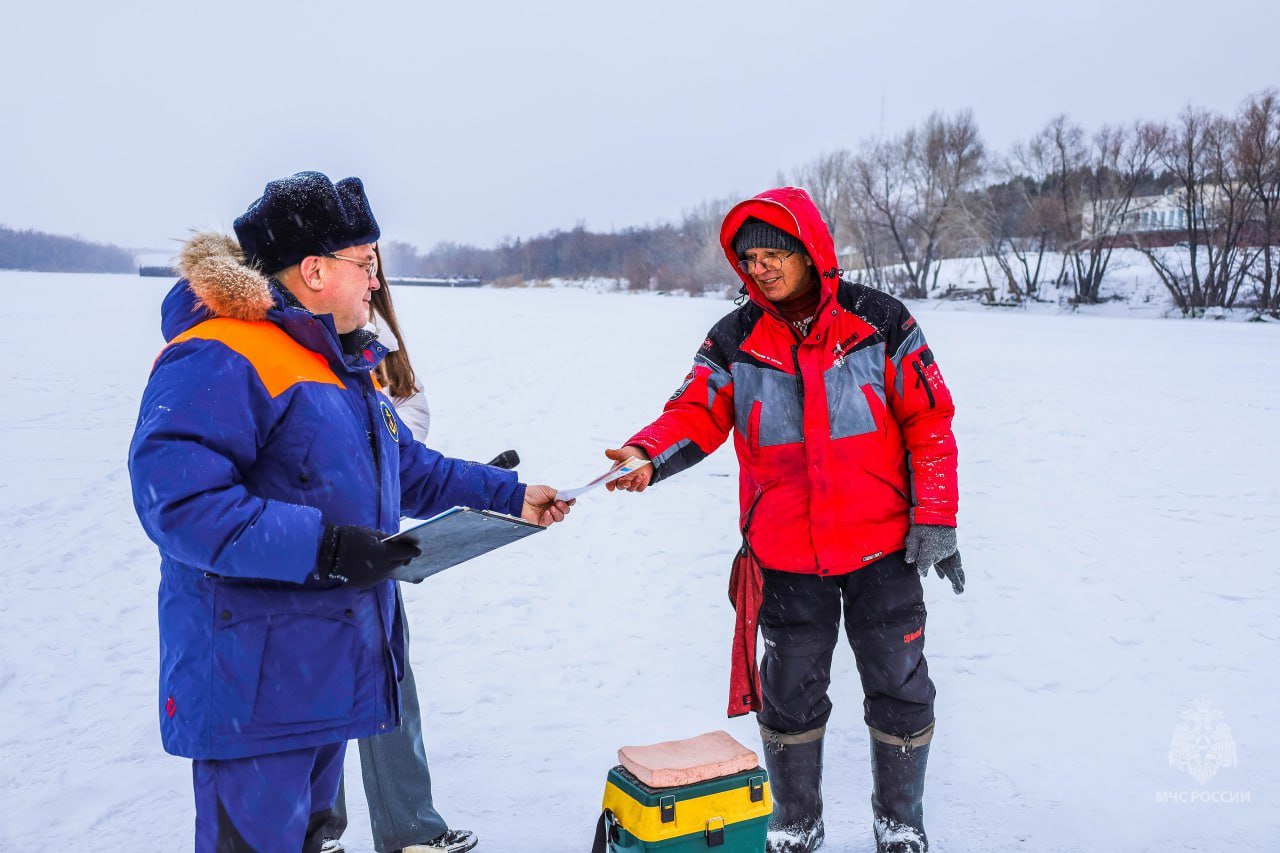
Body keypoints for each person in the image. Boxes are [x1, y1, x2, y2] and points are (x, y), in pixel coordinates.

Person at [128, 171, 572, 852]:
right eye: (364, 265)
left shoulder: (336, 364)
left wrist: (510, 495)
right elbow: (179, 503)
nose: (375, 283)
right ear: (312, 270)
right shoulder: (221, 353)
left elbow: (406, 466)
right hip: (253, 686)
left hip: (322, 672)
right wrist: (326, 548)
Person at [604, 187, 963, 853]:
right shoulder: (735, 338)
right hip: (786, 555)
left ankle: (900, 822)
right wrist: (647, 452)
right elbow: (694, 411)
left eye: (774, 254)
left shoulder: (880, 321)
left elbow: (929, 424)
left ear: (810, 253)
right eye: (751, 258)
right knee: (788, 695)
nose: (761, 267)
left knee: (900, 684)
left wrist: (936, 516)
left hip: (883, 550)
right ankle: (795, 823)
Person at [319, 251, 478, 853]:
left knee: (390, 691)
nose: (375, 276)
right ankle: (318, 832)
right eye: (364, 263)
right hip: (317, 557)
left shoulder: (377, 341)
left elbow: (406, 443)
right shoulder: (299, 351)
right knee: (318, 705)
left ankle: (410, 828)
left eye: (376, 264)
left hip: (373, 551)